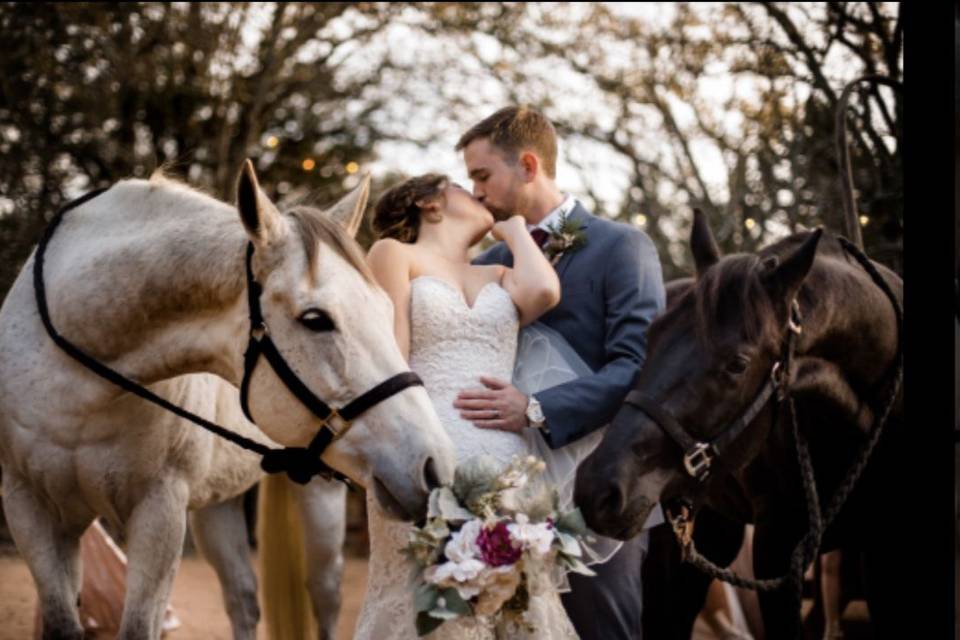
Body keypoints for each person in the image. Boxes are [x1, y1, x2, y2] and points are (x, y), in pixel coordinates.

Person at [458, 105, 666, 640]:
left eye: (482, 175)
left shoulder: (622, 246)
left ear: (528, 165)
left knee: (603, 628)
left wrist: (535, 408)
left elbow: (638, 366)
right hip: (499, 487)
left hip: (598, 483)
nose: (475, 192)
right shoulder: (483, 264)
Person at [356, 172, 577, 639]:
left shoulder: (498, 273)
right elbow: (391, 355)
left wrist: (515, 229)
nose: (476, 192)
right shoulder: (394, 254)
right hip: (429, 457)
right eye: (461, 185)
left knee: (513, 603)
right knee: (435, 607)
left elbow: (544, 292)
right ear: (427, 203)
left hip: (508, 463)